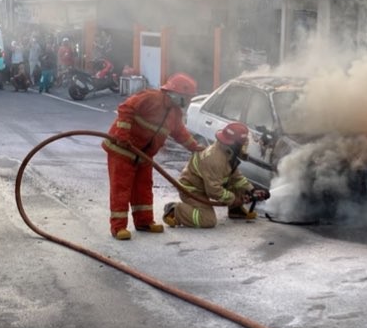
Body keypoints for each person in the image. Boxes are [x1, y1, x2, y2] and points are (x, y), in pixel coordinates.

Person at [101, 72, 204, 241]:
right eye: (187, 97)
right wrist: (123, 134)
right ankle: (118, 227)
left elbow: (179, 132)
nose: (189, 101)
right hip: (122, 150)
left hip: (144, 155)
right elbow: (126, 108)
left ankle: (144, 222)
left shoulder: (175, 113)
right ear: (176, 94)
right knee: (122, 188)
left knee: (143, 187)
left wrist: (194, 147)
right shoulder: (151, 97)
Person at [162, 121, 270, 229]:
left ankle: (235, 210)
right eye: (243, 143)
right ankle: (175, 210)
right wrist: (235, 199)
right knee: (207, 220)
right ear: (236, 144)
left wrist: (252, 190)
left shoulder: (227, 152)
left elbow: (236, 177)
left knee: (239, 185)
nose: (245, 146)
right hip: (192, 189)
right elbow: (214, 191)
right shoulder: (215, 159)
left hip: (206, 184)